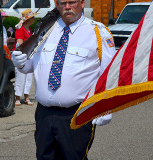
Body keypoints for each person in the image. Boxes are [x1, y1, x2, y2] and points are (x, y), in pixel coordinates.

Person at [12, 0, 116, 159]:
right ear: (56, 4)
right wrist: (20, 63)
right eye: (62, 3)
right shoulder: (46, 29)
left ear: (81, 3)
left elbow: (109, 72)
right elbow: (31, 65)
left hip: (76, 114)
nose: (67, 7)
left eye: (72, 2)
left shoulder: (98, 32)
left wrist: (105, 106)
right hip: (44, 114)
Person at [13, 9, 38, 106]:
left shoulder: (29, 29)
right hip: (21, 55)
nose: (34, 19)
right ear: (28, 19)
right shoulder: (20, 29)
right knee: (20, 76)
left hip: (29, 54)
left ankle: (26, 97)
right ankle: (18, 98)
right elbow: (19, 43)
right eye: (33, 18)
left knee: (28, 77)